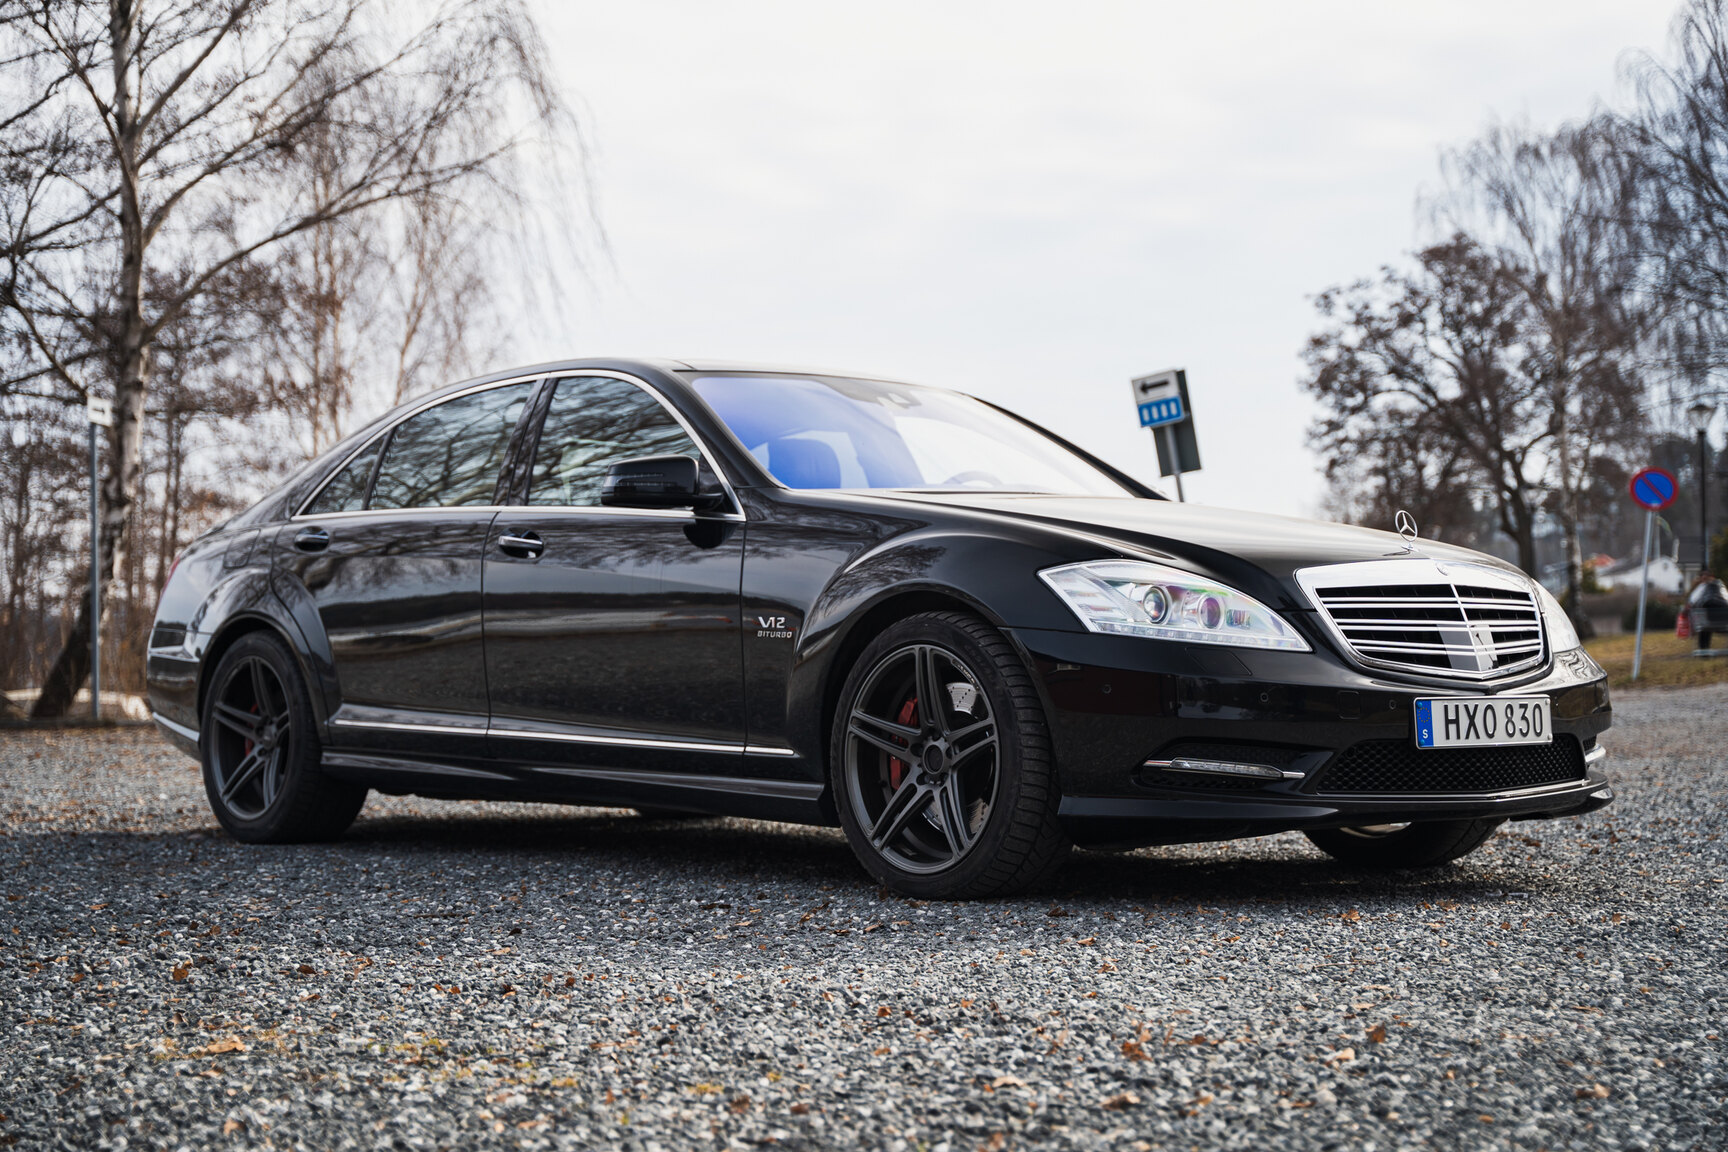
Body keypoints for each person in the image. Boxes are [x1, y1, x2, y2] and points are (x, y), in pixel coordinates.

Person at [1686, 571, 1728, 651]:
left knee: (1703, 626)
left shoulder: (1701, 588)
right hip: (1724, 622)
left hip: (1705, 622)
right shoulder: (1720, 586)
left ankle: (1703, 649)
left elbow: (1692, 601)